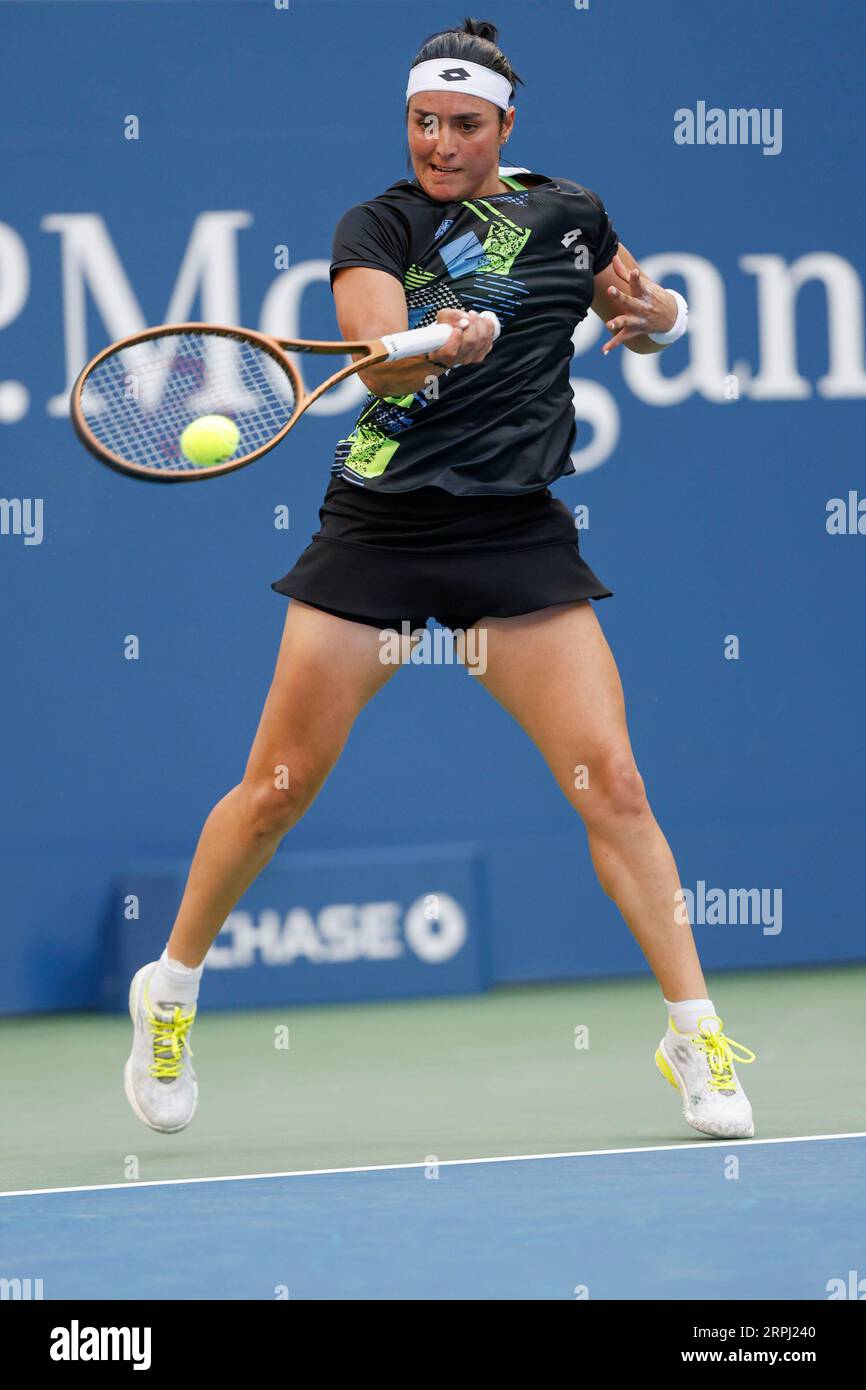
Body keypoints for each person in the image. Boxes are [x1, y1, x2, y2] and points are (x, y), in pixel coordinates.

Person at [124, 17, 755, 1140]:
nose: (439, 143)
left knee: (611, 784)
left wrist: (656, 316)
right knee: (275, 790)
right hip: (377, 529)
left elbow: (635, 312)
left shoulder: (570, 211)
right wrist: (430, 343)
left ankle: (691, 1031)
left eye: (463, 124)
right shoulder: (380, 222)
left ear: (504, 126)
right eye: (423, 121)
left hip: (514, 534)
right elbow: (370, 352)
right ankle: (170, 988)